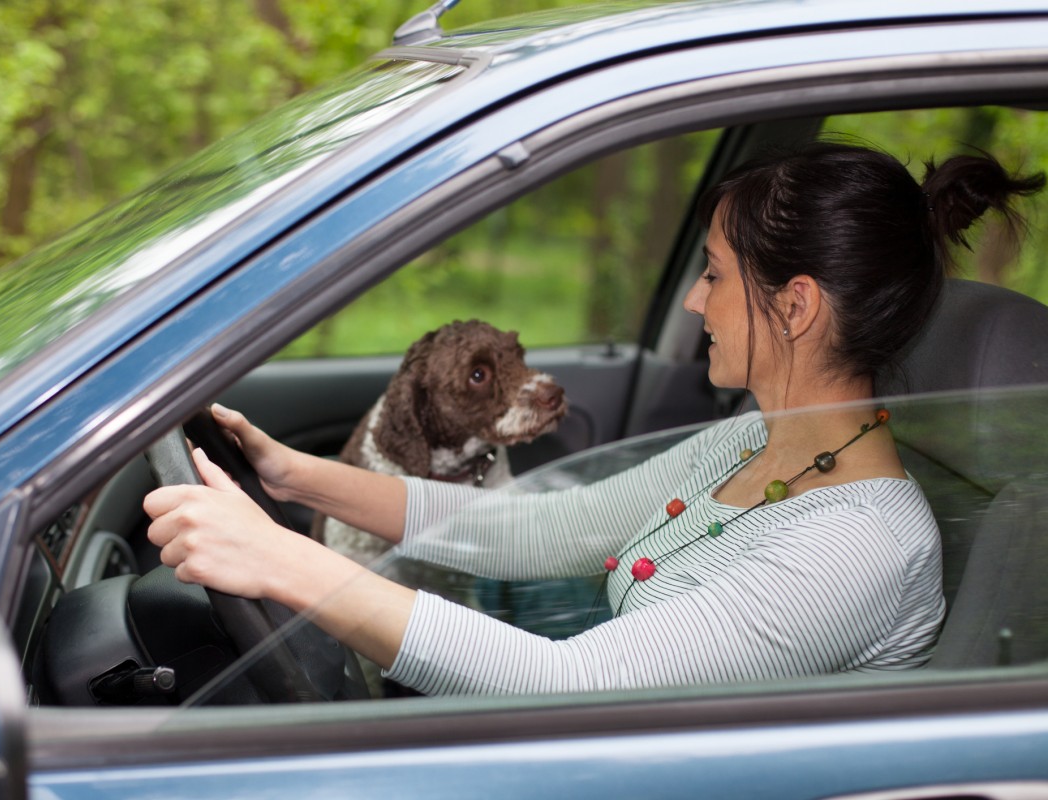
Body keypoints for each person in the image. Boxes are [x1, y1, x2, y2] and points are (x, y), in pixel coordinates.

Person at [144, 141, 1044, 695]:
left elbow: (573, 684)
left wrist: (285, 562)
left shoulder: (864, 544)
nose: (694, 301)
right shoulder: (751, 442)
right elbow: (531, 532)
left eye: (716, 273)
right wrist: (293, 480)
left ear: (796, 306)